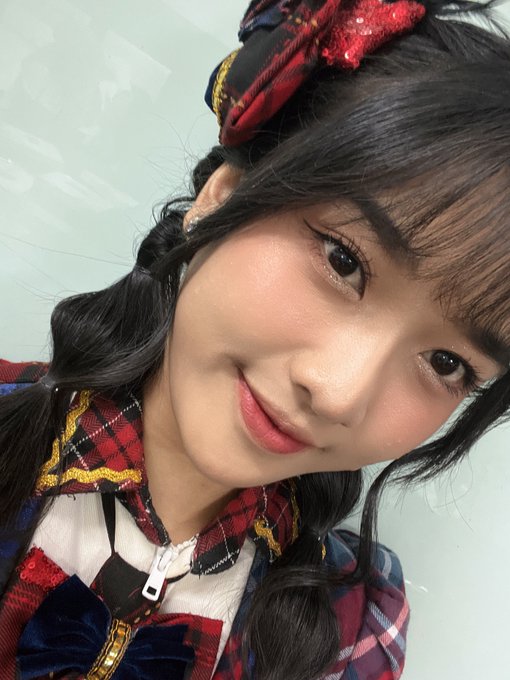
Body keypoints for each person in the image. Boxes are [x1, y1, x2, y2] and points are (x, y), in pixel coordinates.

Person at [0, 0, 509, 677]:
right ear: (224, 194)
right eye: (343, 261)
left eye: (446, 362)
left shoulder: (351, 631)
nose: (338, 393)